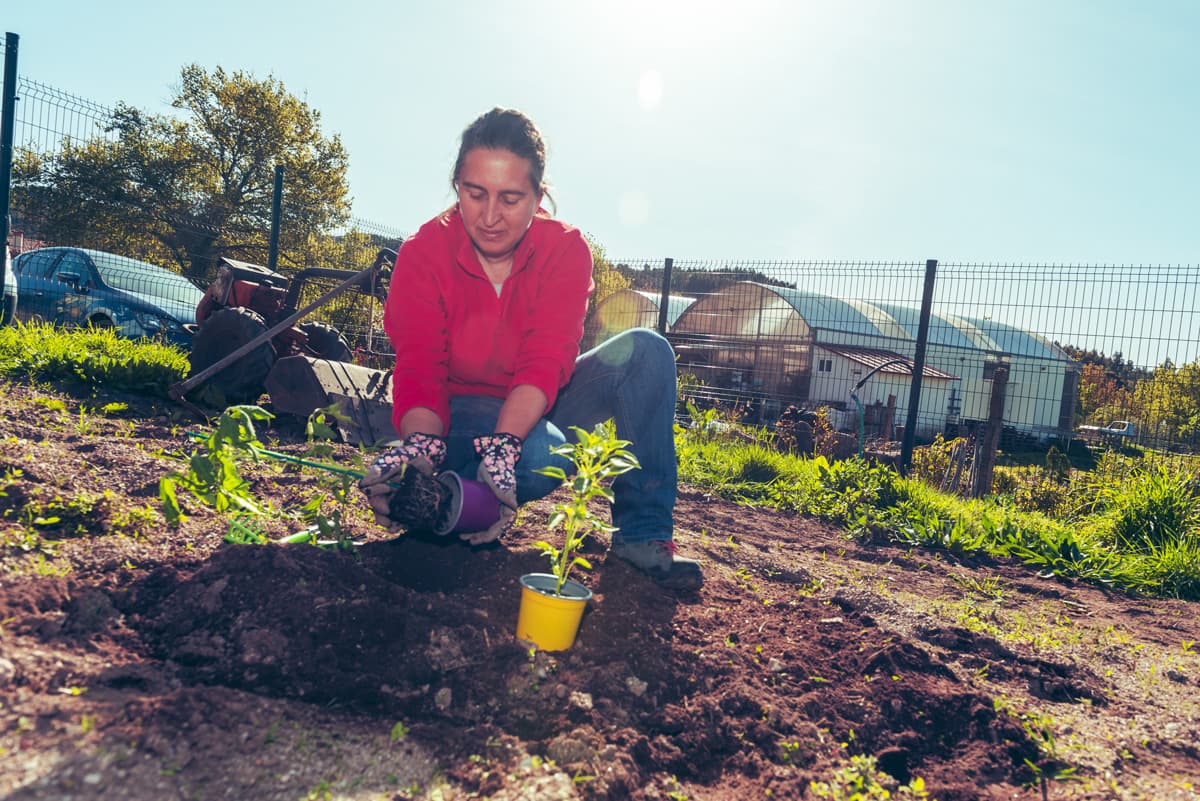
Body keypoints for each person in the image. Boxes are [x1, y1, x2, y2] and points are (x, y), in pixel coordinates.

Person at [358, 107, 702, 591]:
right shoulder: (423, 253)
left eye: (511, 198)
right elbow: (420, 364)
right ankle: (450, 496)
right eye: (475, 194)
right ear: (457, 185)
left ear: (539, 196)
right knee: (539, 451)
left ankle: (642, 536)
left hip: (534, 401)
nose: (491, 216)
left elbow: (546, 358)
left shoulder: (564, 250)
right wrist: (420, 443)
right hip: (455, 412)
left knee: (646, 353)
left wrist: (504, 446)